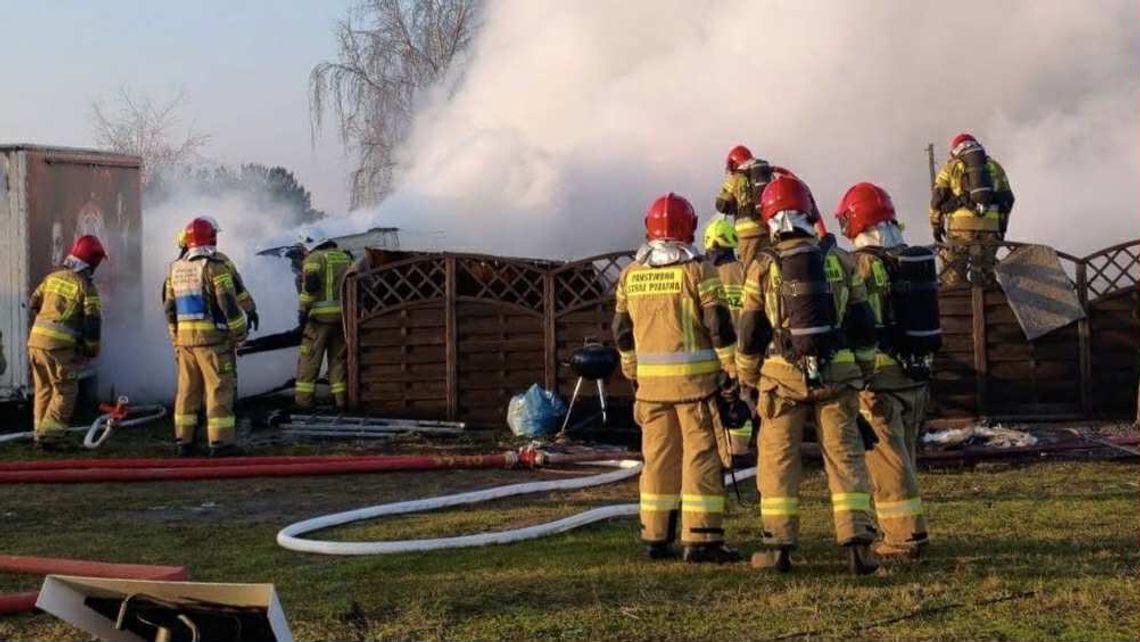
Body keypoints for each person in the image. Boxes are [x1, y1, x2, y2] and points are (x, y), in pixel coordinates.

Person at [736, 176, 880, 574]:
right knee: (845, 458)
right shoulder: (841, 261)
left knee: (778, 461)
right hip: (838, 376)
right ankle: (858, 546)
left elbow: (750, 330)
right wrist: (863, 369)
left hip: (781, 379)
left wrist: (747, 377)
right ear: (808, 213)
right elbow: (862, 323)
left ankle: (778, 548)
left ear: (768, 218)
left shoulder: (762, 265)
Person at [613, 192, 741, 563]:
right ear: (691, 227)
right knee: (700, 458)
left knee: (657, 460)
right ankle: (701, 539)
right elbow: (718, 325)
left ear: (649, 227)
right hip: (695, 388)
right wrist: (732, 369)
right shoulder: (699, 272)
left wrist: (631, 368)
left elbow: (621, 330)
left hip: (650, 391)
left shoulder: (630, 275)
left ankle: (655, 536)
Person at [836, 182, 941, 559]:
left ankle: (902, 538)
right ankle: (906, 528)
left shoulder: (861, 264)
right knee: (905, 458)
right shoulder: (908, 258)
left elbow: (853, 319)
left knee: (887, 462)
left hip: (878, 380)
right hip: (915, 375)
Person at [164, 217, 248, 456]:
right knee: (218, 389)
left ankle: (184, 442)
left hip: (185, 342)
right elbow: (227, 304)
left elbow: (169, 309)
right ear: (211, 238)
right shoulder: (215, 267)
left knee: (187, 391)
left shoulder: (175, 269)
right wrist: (240, 332)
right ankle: (220, 443)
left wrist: (175, 338)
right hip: (212, 342)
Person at [27, 235, 105, 449]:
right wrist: (91, 350)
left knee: (44, 389)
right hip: (58, 348)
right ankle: (51, 438)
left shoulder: (52, 278)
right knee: (66, 390)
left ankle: (39, 434)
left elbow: (33, 302)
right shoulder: (86, 287)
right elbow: (92, 323)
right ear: (91, 263)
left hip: (35, 343)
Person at [930, 133, 1015, 286]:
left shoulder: (950, 168)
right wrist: (1001, 227)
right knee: (986, 273)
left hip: (960, 230)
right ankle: (987, 296)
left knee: (952, 274)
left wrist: (936, 226)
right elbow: (1008, 200)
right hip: (990, 227)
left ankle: (956, 296)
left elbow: (937, 201)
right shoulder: (994, 167)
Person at [702, 218, 753, 457]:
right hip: (745, 351)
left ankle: (727, 453)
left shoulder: (707, 275)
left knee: (720, 403)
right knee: (742, 400)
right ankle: (741, 452)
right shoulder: (746, 271)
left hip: (717, 353)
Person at [294, 228, 353, 410]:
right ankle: (341, 401)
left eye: (304, 247)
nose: (304, 251)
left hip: (319, 319)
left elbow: (310, 289)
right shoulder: (344, 257)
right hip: (342, 318)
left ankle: (303, 402)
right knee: (338, 360)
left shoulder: (314, 258)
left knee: (309, 359)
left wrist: (302, 311)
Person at [174, 219, 259, 331]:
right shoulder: (218, 263)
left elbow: (170, 308)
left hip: (185, 335)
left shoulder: (175, 270)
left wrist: (175, 335)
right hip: (215, 332)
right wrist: (241, 329)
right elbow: (229, 298)